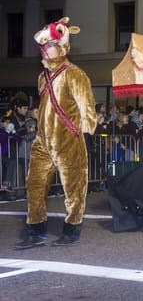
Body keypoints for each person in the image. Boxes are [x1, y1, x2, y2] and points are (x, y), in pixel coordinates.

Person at [15, 17, 97, 249]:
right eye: (44, 45)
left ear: (63, 47)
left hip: (68, 140)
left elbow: (87, 109)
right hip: (43, 142)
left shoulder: (75, 74)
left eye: (50, 45)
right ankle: (36, 230)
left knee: (73, 188)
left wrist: (86, 135)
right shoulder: (42, 77)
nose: (45, 49)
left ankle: (72, 229)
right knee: (34, 184)